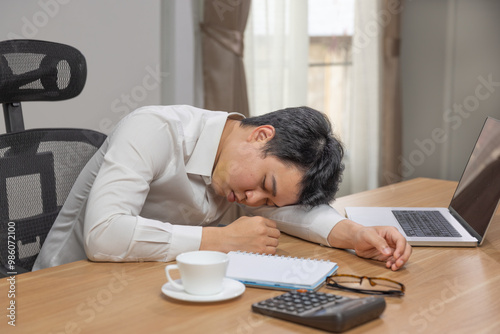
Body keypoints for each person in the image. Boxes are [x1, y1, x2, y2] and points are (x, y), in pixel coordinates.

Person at [33, 105, 411, 271]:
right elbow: (104, 235)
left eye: (269, 200)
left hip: (142, 280)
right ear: (262, 135)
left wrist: (354, 234)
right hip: (67, 285)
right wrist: (218, 240)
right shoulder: (154, 130)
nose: (255, 202)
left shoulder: (239, 162)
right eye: (264, 185)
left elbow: (291, 212)